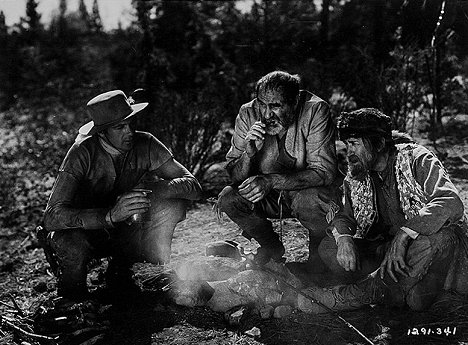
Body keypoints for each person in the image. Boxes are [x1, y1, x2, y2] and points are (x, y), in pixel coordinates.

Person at [40, 90, 202, 300]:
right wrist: (108, 216)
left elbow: (194, 186)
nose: (130, 131)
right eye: (119, 127)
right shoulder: (82, 152)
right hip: (86, 233)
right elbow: (51, 217)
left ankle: (124, 271)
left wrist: (150, 193)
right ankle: (72, 295)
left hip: (127, 229)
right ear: (102, 132)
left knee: (173, 206)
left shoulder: (146, 143)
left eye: (130, 123)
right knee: (72, 246)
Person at [302, 108, 468, 312]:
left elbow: (451, 201)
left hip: (424, 248)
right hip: (389, 252)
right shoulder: (357, 173)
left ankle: (359, 294)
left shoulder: (417, 159)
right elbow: (344, 216)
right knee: (329, 247)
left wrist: (404, 234)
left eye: (354, 144)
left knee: (436, 240)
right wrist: (344, 238)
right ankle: (401, 289)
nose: (349, 152)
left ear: (379, 144)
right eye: (347, 144)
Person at [218, 71, 340, 269]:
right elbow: (233, 175)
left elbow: (324, 171)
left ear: (295, 101)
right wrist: (248, 154)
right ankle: (270, 247)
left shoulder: (315, 109)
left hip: (307, 192)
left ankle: (318, 256)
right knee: (229, 199)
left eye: (275, 106)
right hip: (269, 196)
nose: (266, 115)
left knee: (310, 200)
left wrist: (270, 181)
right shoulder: (247, 113)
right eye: (262, 104)